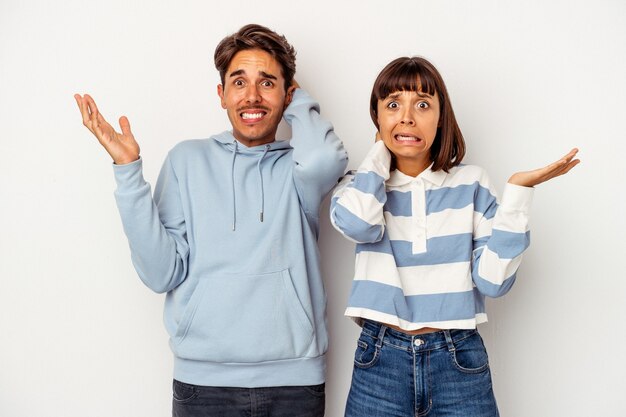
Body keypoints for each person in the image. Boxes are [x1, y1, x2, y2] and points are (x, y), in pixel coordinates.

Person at [75, 24, 347, 417]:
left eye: (267, 83)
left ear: (288, 96)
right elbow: (160, 273)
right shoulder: (187, 161)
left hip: (294, 381)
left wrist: (296, 96)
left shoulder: (301, 167)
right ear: (221, 95)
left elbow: (327, 159)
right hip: (203, 385)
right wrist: (128, 170)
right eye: (239, 82)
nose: (252, 96)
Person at [330, 56, 579, 416]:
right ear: (377, 117)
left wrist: (517, 195)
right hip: (379, 360)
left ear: (441, 117)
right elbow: (359, 225)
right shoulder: (358, 187)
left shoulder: (471, 183)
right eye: (393, 105)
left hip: (458, 360)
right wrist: (377, 156)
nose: (407, 117)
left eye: (423, 104)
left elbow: (493, 283)